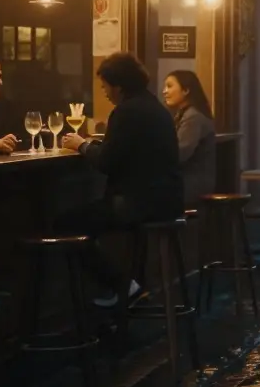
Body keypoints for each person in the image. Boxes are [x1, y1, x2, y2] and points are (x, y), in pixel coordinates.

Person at [60, 52, 183, 306]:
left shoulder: (126, 112)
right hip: (167, 202)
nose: (104, 91)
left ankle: (122, 286)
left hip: (138, 204)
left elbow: (106, 162)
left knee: (66, 224)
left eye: (105, 84)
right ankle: (128, 287)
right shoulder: (155, 107)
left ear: (118, 85)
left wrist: (82, 145)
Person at [162, 70, 217, 207]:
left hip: (192, 182)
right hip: (190, 180)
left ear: (186, 90)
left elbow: (180, 153)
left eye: (169, 86)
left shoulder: (193, 117)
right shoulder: (184, 114)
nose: (164, 91)